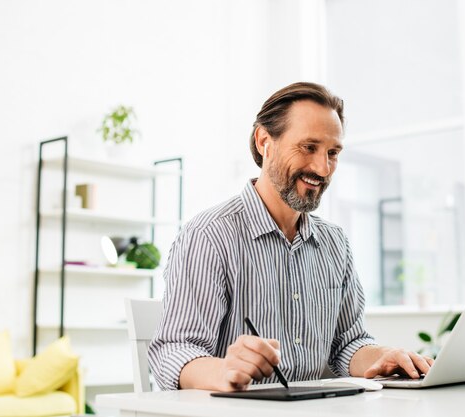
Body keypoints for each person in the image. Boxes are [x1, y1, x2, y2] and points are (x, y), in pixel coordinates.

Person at [147, 82, 434, 392]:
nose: (322, 168)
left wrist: (384, 357)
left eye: (332, 153)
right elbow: (174, 351)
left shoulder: (335, 243)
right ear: (264, 141)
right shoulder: (209, 236)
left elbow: (347, 344)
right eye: (308, 147)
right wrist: (224, 371)